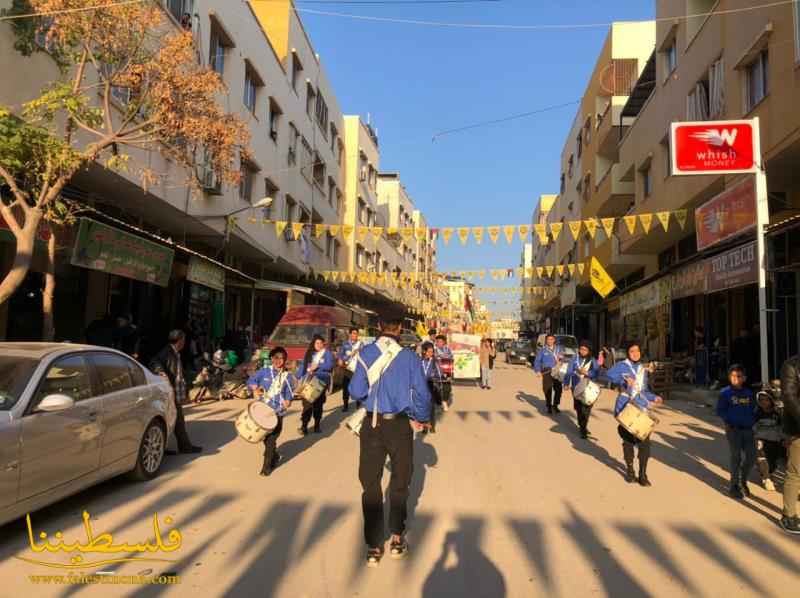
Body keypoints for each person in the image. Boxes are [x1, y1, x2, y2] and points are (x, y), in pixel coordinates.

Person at [348, 315, 432, 567]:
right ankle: (396, 538)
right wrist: (422, 417)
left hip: (372, 426)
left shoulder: (365, 353)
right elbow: (422, 394)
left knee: (370, 483)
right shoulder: (409, 357)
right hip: (399, 425)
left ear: (380, 327)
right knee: (400, 482)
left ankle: (374, 546)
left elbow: (355, 391)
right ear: (401, 329)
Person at [607, 341, 663, 486]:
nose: (635, 354)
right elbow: (609, 375)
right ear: (627, 353)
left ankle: (643, 473)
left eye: (637, 351)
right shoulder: (622, 365)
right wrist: (623, 380)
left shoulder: (641, 369)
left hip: (640, 407)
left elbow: (643, 391)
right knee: (628, 441)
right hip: (625, 407)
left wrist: (654, 397)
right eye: (632, 351)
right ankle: (630, 470)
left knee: (645, 442)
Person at [150, 330, 202, 454]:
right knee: (176, 418)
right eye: (183, 340)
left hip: (172, 391)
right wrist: (162, 374)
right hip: (168, 391)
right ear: (179, 340)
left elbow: (180, 374)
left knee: (175, 419)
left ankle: (170, 448)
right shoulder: (167, 353)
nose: (184, 342)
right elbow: (155, 363)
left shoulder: (174, 353)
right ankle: (183, 447)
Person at [247, 347, 296, 476]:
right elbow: (251, 381)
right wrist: (254, 388)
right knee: (266, 439)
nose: (278, 361)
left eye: (281, 358)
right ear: (271, 359)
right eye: (275, 358)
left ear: (285, 360)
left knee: (271, 440)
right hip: (262, 411)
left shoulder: (288, 377)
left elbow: (289, 394)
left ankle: (266, 467)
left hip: (277, 412)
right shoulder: (264, 372)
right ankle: (274, 456)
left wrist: (288, 401)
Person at [716, 365, 758, 499]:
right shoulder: (725, 393)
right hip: (733, 430)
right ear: (729, 377)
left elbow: (754, 410)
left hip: (748, 431)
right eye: (733, 376)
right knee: (736, 457)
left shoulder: (749, 394)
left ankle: (742, 479)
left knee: (751, 457)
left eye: (739, 376)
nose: (736, 379)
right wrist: (729, 421)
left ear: (744, 378)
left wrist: (752, 422)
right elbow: (720, 411)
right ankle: (734, 485)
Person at [295, 335, 334, 435]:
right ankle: (304, 426)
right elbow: (303, 366)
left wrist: (318, 365)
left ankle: (317, 425)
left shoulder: (327, 353)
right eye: (317, 343)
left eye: (321, 343)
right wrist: (298, 377)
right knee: (307, 405)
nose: (319, 345)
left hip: (321, 381)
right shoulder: (309, 353)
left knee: (318, 405)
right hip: (308, 382)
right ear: (313, 343)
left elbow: (330, 365)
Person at [779, 355, 800, 534]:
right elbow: (789, 397)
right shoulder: (792, 365)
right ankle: (789, 515)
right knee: (795, 472)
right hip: (797, 427)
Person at [565, 340, 600, 439]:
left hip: (588, 387)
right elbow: (569, 371)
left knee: (587, 408)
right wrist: (566, 383)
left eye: (585, 350)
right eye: (581, 349)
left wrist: (587, 373)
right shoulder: (574, 358)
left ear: (589, 351)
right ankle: (582, 426)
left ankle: (583, 428)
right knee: (579, 408)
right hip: (576, 387)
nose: (583, 351)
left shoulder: (592, 360)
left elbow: (597, 373)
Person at [753, 390, 785, 492]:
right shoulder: (756, 412)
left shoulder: (777, 412)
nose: (763, 402)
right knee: (762, 458)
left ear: (771, 400)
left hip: (775, 440)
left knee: (773, 461)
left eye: (766, 400)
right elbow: (752, 426)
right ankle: (766, 478)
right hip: (761, 439)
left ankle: (769, 472)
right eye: (761, 400)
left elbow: (782, 426)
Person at [533, 334, 564, 414]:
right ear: (546, 341)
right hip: (547, 371)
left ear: (554, 340)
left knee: (558, 389)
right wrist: (538, 371)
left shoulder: (558, 349)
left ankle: (556, 405)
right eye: (548, 339)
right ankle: (549, 405)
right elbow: (537, 361)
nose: (550, 341)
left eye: (551, 339)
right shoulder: (543, 350)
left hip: (557, 371)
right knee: (547, 389)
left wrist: (560, 360)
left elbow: (562, 359)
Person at [337, 327, 363, 412]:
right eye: (353, 333)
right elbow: (340, 355)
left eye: (356, 333)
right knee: (346, 388)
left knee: (358, 388)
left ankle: (358, 404)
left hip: (358, 370)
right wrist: (341, 360)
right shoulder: (345, 344)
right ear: (350, 334)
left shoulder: (361, 344)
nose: (355, 335)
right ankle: (345, 405)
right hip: (348, 369)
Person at [421, 342, 443, 433]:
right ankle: (425, 427)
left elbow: (439, 374)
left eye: (432, 351)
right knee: (423, 408)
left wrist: (436, 378)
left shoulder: (434, 362)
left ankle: (432, 426)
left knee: (431, 408)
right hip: (421, 387)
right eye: (429, 351)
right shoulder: (420, 361)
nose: (431, 353)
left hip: (431, 386)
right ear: (424, 351)